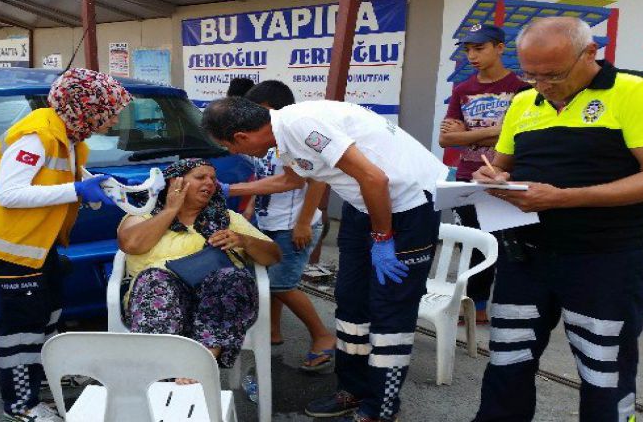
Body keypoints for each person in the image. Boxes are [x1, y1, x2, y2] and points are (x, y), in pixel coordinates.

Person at [472, 17, 643, 422]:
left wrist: (564, 198)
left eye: (552, 74)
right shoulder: (523, 101)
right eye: (531, 75)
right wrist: (492, 178)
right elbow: (501, 167)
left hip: (605, 260)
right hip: (525, 258)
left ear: (589, 53)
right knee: (506, 362)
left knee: (603, 371)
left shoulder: (635, 92)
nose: (541, 86)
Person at [202, 97, 449, 422]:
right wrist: (228, 190)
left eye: (228, 146)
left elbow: (376, 178)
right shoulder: (282, 134)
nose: (234, 154)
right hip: (364, 206)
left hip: (409, 205)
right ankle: (354, 390)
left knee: (391, 309)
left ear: (241, 137)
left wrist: (383, 238)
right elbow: (292, 179)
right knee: (350, 301)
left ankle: (381, 409)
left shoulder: (300, 124)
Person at [0, 68, 132, 422]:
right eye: (110, 110)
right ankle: (21, 404)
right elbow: (9, 194)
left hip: (38, 246)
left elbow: (60, 173)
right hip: (13, 247)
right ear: (85, 109)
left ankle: (49, 373)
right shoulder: (36, 136)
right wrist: (76, 191)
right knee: (22, 329)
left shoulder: (69, 135)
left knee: (50, 314)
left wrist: (96, 183)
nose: (116, 118)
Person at [116, 158, 280, 377]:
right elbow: (131, 244)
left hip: (214, 303)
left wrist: (244, 240)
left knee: (233, 276)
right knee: (156, 279)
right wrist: (171, 209)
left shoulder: (227, 219)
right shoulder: (143, 216)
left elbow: (273, 256)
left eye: (213, 178)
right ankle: (163, 368)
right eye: (201, 177)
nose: (210, 183)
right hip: (161, 302)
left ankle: (203, 355)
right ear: (176, 182)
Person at [239, 80, 336, 371]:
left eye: (256, 112)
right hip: (269, 222)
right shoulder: (266, 140)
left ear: (271, 109)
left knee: (282, 284)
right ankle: (273, 331)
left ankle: (323, 337)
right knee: (271, 282)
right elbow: (263, 178)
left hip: (293, 226)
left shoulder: (292, 135)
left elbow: (317, 179)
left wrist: (304, 223)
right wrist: (251, 209)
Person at [438, 23, 528, 324]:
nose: (472, 56)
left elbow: (519, 135)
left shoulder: (521, 90)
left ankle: (499, 304)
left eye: (480, 48)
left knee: (503, 243)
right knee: (471, 241)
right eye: (468, 50)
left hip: (504, 176)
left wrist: (469, 134)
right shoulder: (463, 89)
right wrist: (493, 133)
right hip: (467, 176)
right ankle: (473, 304)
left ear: (500, 48)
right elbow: (445, 140)